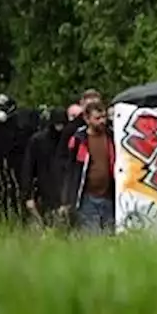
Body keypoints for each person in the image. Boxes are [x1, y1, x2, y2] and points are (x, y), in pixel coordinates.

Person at [60, 99, 116, 233]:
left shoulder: (111, 137)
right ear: (87, 119)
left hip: (109, 196)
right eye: (97, 118)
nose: (102, 121)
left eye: (104, 117)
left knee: (109, 236)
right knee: (91, 237)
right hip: (87, 197)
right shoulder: (79, 140)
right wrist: (67, 199)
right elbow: (70, 170)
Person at [21, 107, 66, 224]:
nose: (59, 128)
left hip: (64, 193)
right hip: (43, 193)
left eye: (62, 125)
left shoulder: (69, 140)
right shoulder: (38, 141)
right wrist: (28, 196)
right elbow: (28, 169)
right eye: (57, 124)